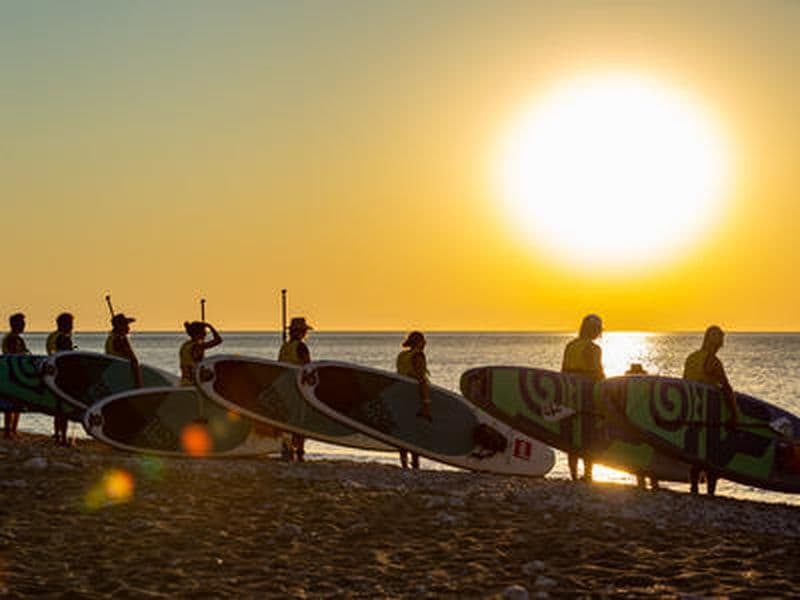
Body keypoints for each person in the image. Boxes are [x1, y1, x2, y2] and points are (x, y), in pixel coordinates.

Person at [683, 325, 737, 496]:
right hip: (709, 411)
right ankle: (710, 493)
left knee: (696, 453)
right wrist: (734, 414)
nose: (720, 343)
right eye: (720, 339)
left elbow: (684, 383)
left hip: (693, 411)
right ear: (716, 342)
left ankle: (693, 488)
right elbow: (726, 388)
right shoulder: (713, 361)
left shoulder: (691, 358)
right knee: (711, 453)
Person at [561, 314, 605, 482]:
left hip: (570, 394)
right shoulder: (593, 349)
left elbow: (563, 371)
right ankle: (587, 474)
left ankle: (573, 475)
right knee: (589, 436)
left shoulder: (570, 346)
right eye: (597, 329)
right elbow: (597, 373)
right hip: (587, 395)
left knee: (573, 437)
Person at [278, 317, 313, 462]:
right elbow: (307, 367)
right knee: (300, 422)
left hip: (284, 387)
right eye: (303, 331)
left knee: (288, 420)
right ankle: (299, 450)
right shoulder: (301, 347)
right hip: (298, 388)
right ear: (301, 332)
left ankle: (287, 447)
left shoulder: (284, 347)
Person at [396, 331, 431, 470]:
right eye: (423, 340)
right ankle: (415, 464)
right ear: (419, 342)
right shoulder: (417, 356)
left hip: (401, 395)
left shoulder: (402, 355)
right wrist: (426, 402)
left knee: (403, 430)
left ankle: (404, 463)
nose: (425, 343)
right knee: (415, 430)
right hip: (414, 397)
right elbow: (421, 380)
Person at [624, 363, 660, 491]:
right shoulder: (647, 387)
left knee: (639, 453)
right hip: (646, 422)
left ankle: (642, 482)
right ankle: (652, 482)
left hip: (635, 422)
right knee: (649, 452)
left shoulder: (627, 387)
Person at [45, 313, 76, 446]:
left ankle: (57, 435)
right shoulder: (63, 338)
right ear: (64, 324)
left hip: (53, 375)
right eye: (70, 324)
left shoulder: (52, 336)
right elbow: (66, 357)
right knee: (64, 409)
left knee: (58, 408)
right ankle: (62, 437)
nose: (72, 327)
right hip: (63, 375)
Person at [2, 312, 30, 438]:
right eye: (22, 323)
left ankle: (13, 429)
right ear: (14, 324)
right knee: (10, 404)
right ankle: (9, 430)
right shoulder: (11, 339)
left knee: (17, 404)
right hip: (12, 374)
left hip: (16, 374)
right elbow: (15, 355)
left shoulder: (17, 339)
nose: (24, 325)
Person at [105, 313, 143, 388]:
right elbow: (133, 360)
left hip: (114, 371)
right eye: (126, 325)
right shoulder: (118, 340)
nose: (128, 328)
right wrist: (138, 384)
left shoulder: (111, 338)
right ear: (119, 326)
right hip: (121, 373)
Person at [179, 321, 222, 386]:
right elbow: (218, 340)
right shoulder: (198, 346)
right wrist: (210, 326)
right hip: (194, 382)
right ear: (199, 333)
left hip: (185, 381)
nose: (205, 334)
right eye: (204, 332)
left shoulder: (185, 345)